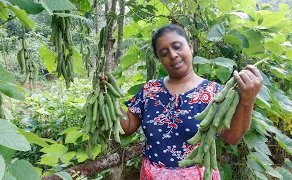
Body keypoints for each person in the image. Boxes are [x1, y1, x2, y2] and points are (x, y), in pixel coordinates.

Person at [103, 24, 263, 180]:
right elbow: (128, 126)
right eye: (164, 53)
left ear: (190, 46)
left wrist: (247, 101)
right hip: (153, 174)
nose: (173, 55)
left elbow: (231, 137)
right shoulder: (150, 90)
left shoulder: (214, 92)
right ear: (160, 59)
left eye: (177, 46)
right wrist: (110, 97)